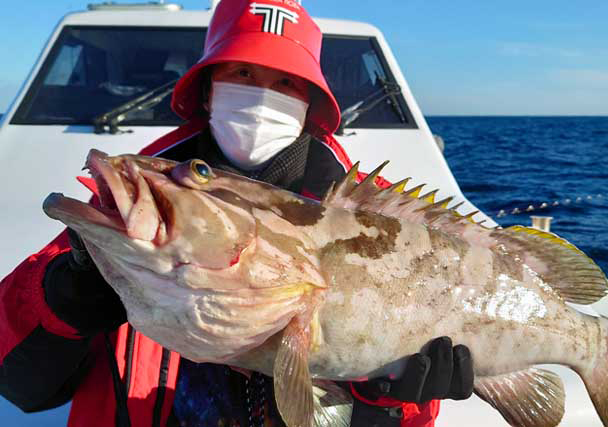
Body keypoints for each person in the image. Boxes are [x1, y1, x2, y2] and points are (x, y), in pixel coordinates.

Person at [0, 1, 473, 426]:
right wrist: (66, 297)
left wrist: (384, 397)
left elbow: (395, 418)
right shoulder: (140, 210)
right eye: (242, 73)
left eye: (286, 81)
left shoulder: (385, 224)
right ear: (208, 90)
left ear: (309, 104)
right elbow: (21, 388)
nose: (263, 95)